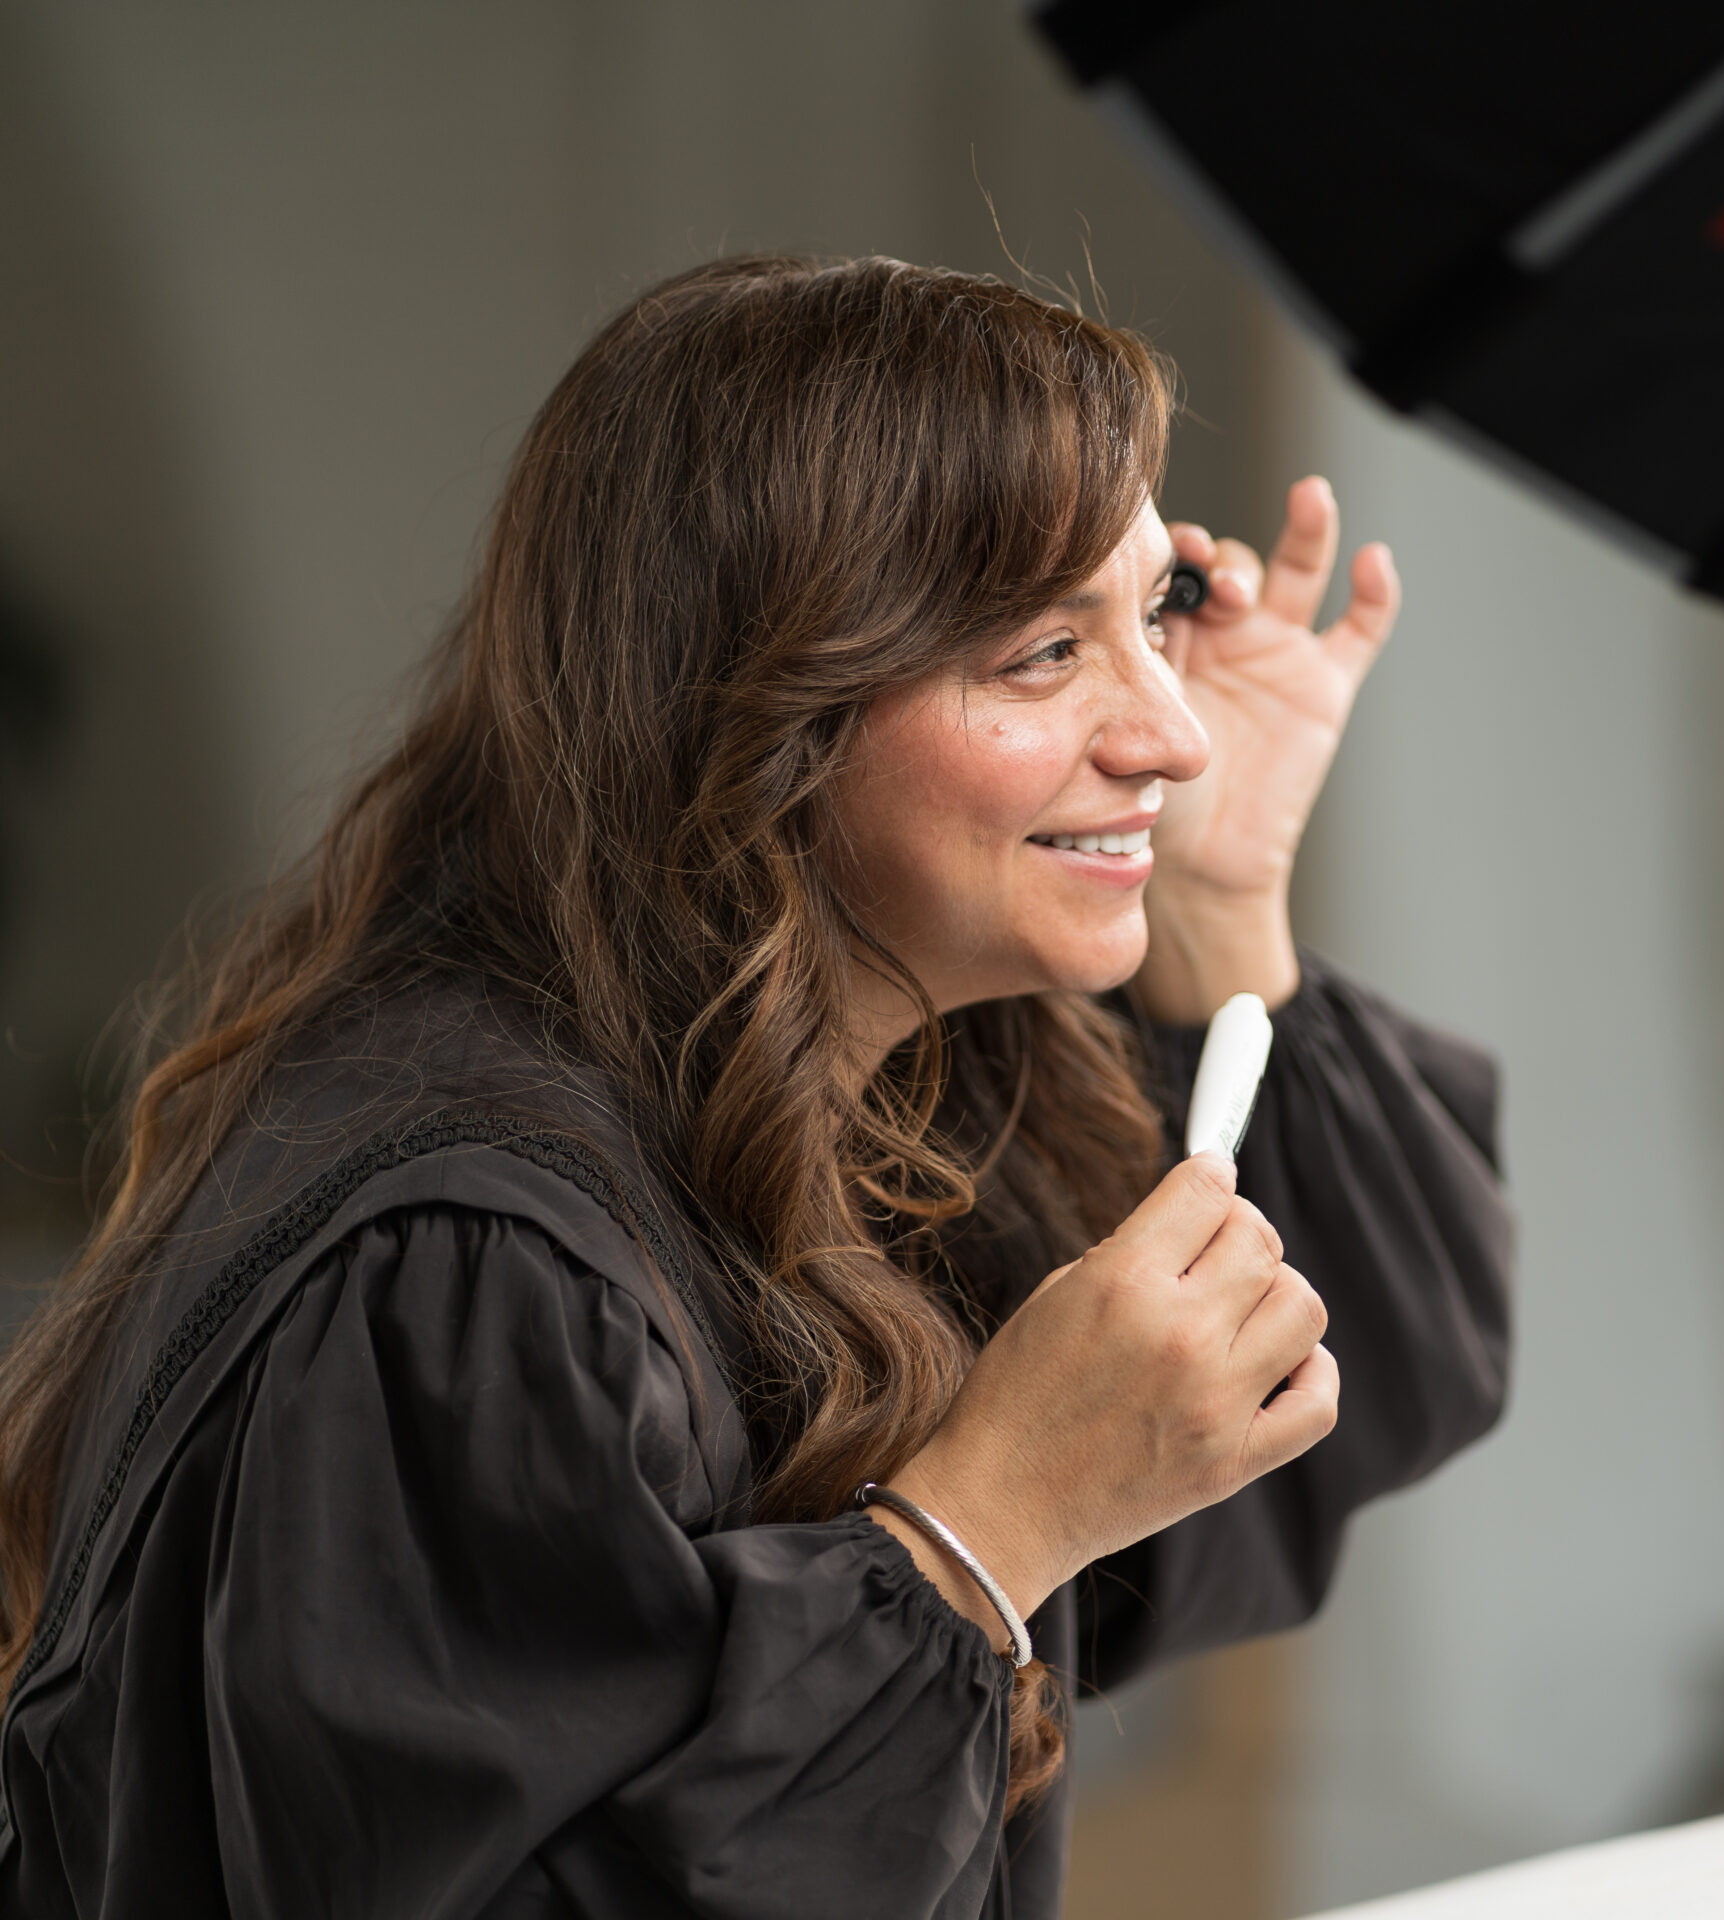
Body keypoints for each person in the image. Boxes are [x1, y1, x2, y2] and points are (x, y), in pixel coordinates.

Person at [0, 256, 1512, 1918]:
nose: (1176, 734)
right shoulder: (473, 1275)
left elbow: (1340, 1398)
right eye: (1038, 655)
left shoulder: (873, 1114)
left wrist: (1218, 910)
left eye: (1153, 612)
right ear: (759, 711)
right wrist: (978, 1542)